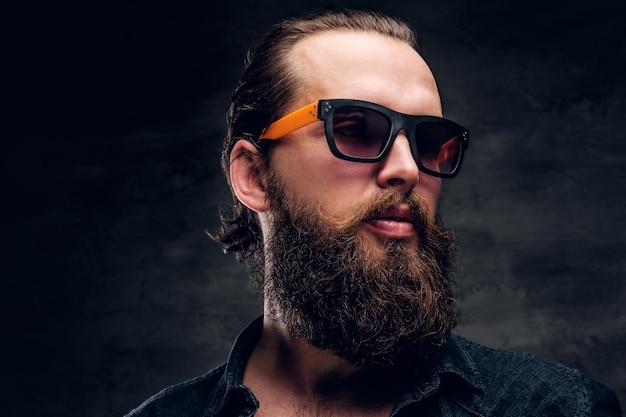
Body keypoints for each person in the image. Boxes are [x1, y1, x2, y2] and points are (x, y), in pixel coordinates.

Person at [125, 8, 622, 417]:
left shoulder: (557, 409)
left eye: (430, 141)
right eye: (356, 128)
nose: (407, 168)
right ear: (254, 176)